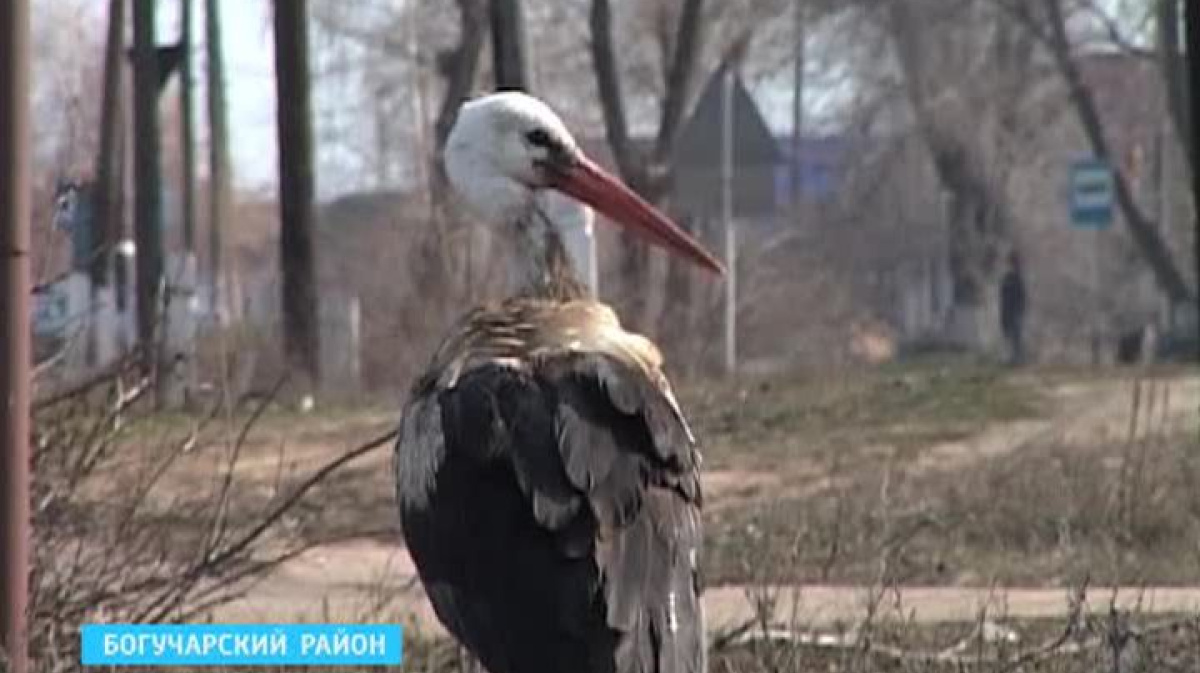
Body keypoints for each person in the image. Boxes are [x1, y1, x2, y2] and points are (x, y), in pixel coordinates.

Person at [999, 251, 1028, 365]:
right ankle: (1009, 359)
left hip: (1015, 312)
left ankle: (1017, 359)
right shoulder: (1006, 278)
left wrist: (1020, 311)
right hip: (1006, 312)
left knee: (1016, 338)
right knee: (1008, 337)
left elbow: (1021, 297)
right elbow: (1003, 297)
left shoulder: (1017, 278)